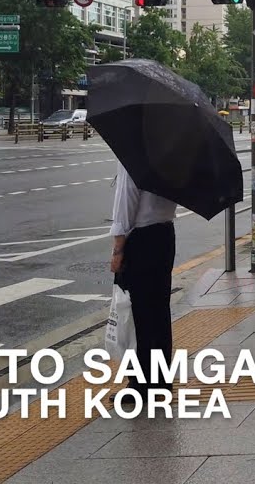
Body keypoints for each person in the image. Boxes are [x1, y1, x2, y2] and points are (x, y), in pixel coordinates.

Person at [109, 159, 178, 394]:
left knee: (138, 314)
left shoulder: (133, 156)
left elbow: (126, 202)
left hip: (141, 239)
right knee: (159, 310)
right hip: (165, 233)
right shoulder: (172, 155)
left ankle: (140, 384)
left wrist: (118, 248)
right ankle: (160, 381)